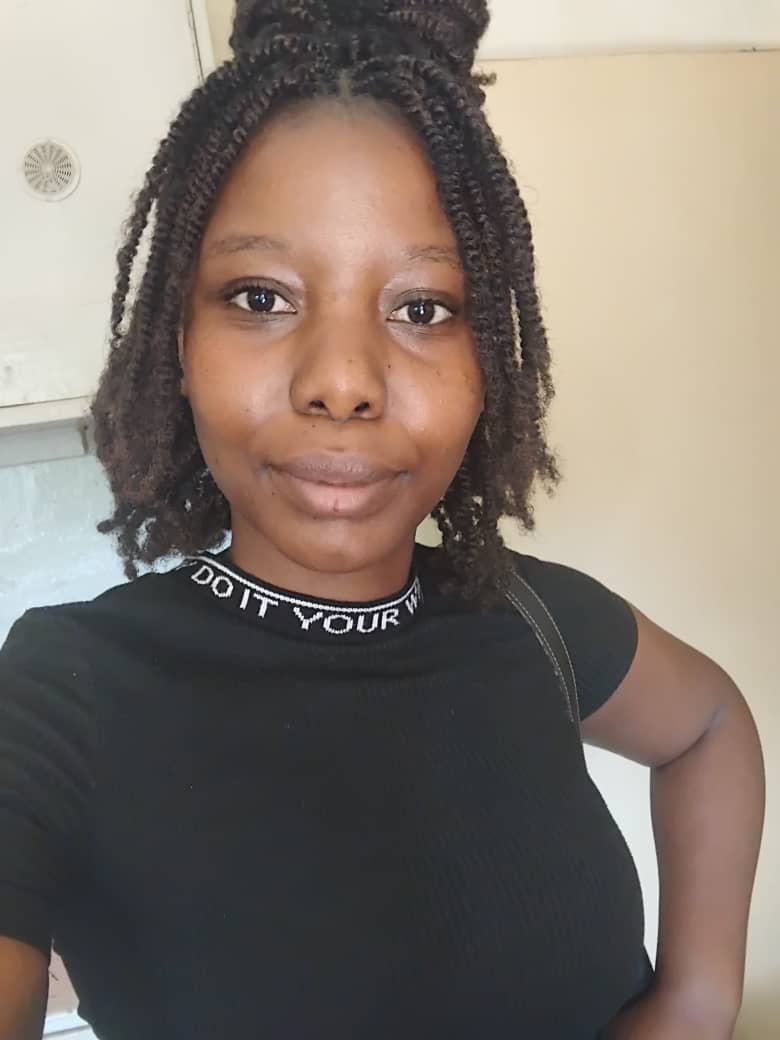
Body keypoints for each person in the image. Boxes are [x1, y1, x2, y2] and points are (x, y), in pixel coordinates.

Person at [0, 1, 765, 1038]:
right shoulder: (59, 695)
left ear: (487, 360)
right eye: (260, 296)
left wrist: (698, 1000)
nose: (344, 380)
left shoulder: (534, 616)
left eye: (421, 308)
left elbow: (711, 726)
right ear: (178, 343)